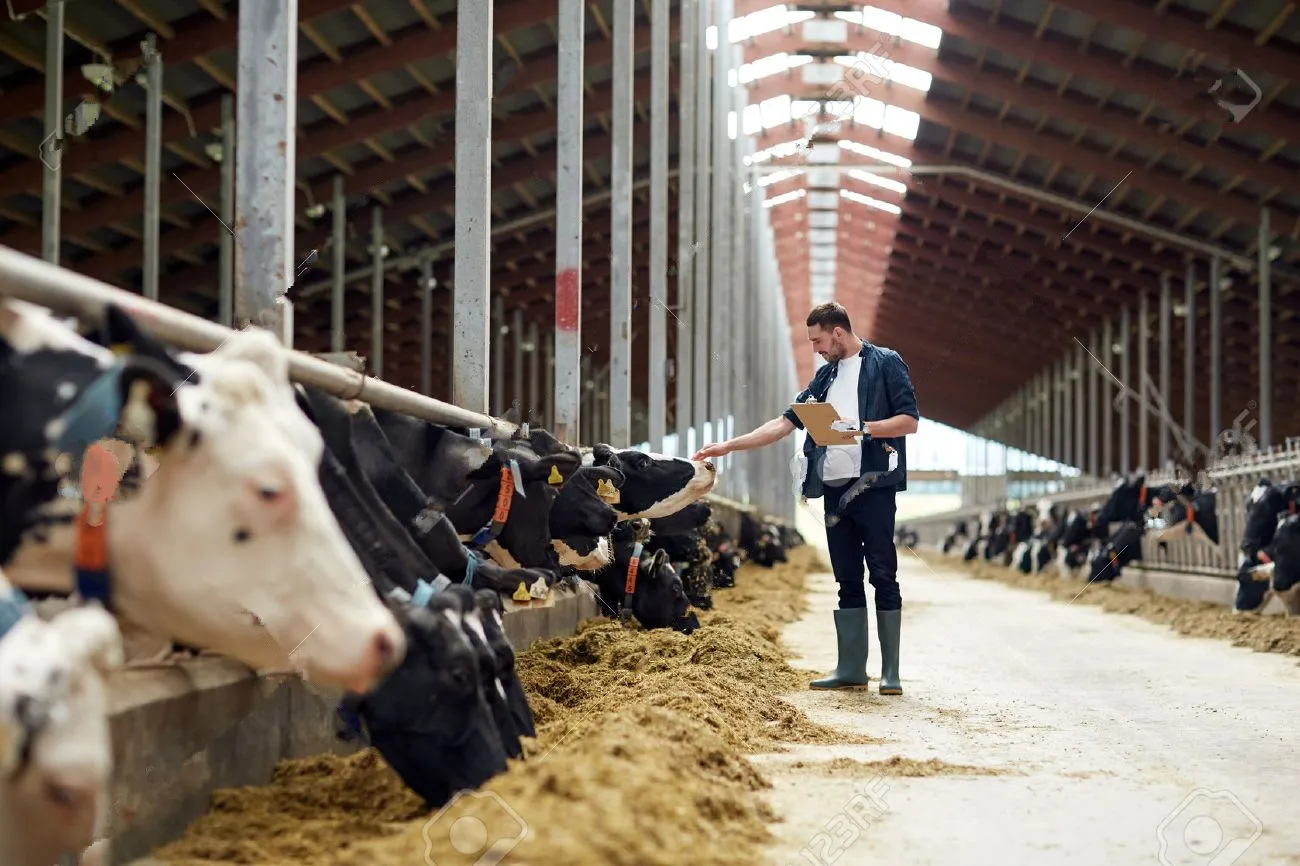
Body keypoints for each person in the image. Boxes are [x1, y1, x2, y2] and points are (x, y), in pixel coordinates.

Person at [693, 302, 919, 695]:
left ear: (837, 332)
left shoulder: (885, 363)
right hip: (834, 489)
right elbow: (783, 423)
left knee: (883, 573)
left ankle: (890, 674)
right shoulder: (825, 377)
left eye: (817, 340)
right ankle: (851, 668)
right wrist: (728, 446)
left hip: (873, 486)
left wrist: (861, 428)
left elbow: (910, 421)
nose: (815, 348)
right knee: (846, 578)